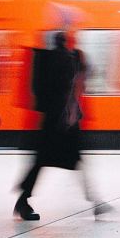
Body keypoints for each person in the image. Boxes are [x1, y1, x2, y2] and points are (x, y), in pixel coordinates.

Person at [15, 29, 106, 219]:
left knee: (45, 161)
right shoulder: (66, 60)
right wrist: (72, 113)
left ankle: (23, 201)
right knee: (67, 159)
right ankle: (95, 202)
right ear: (65, 41)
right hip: (62, 122)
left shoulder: (52, 60)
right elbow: (69, 88)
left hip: (54, 120)